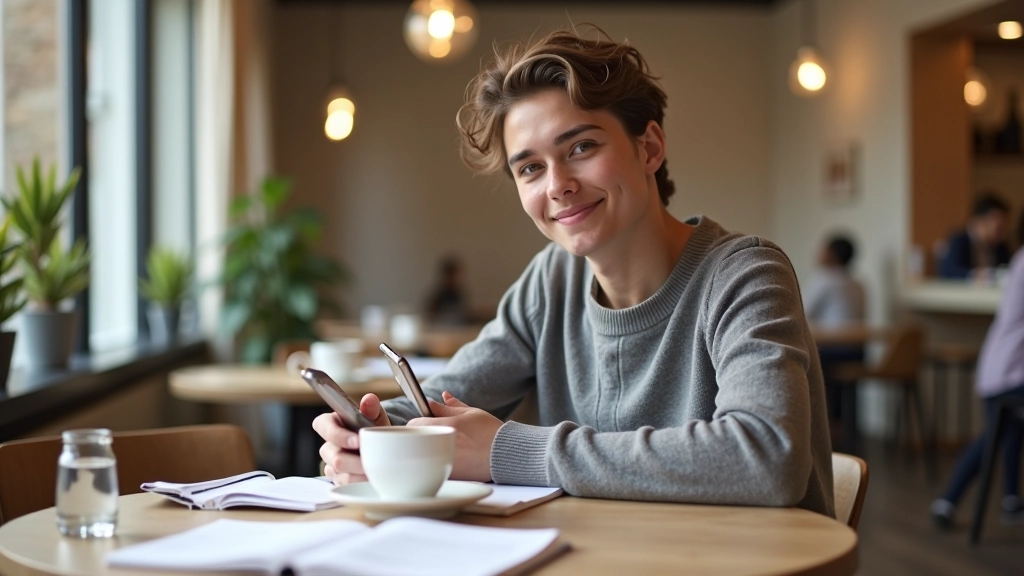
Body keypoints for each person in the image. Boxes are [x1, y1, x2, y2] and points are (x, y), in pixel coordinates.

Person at [313, 27, 834, 517]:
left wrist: (508, 451)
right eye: (530, 168)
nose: (557, 185)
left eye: (581, 147)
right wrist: (365, 435)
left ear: (649, 147)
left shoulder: (745, 274)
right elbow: (440, 402)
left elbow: (768, 457)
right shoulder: (551, 282)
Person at [930, 247, 1024, 529]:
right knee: (998, 434)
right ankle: (947, 500)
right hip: (1010, 369)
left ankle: (1011, 501)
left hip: (1003, 364)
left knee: (1010, 431)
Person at [803, 235, 866, 452]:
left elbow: (802, 313)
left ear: (831, 254)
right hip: (857, 353)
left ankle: (817, 431)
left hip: (833, 352)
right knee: (839, 384)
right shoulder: (857, 283)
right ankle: (843, 430)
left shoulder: (825, 279)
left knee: (806, 363)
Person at [938, 194, 1011, 279]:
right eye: (998, 228)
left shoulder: (1000, 246)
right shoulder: (959, 240)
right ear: (979, 220)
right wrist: (977, 275)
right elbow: (949, 271)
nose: (1000, 233)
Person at [425, 255, 471, 326]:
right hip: (442, 331)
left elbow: (465, 315)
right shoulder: (439, 295)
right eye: (453, 275)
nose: (456, 279)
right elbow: (430, 316)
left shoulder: (458, 294)